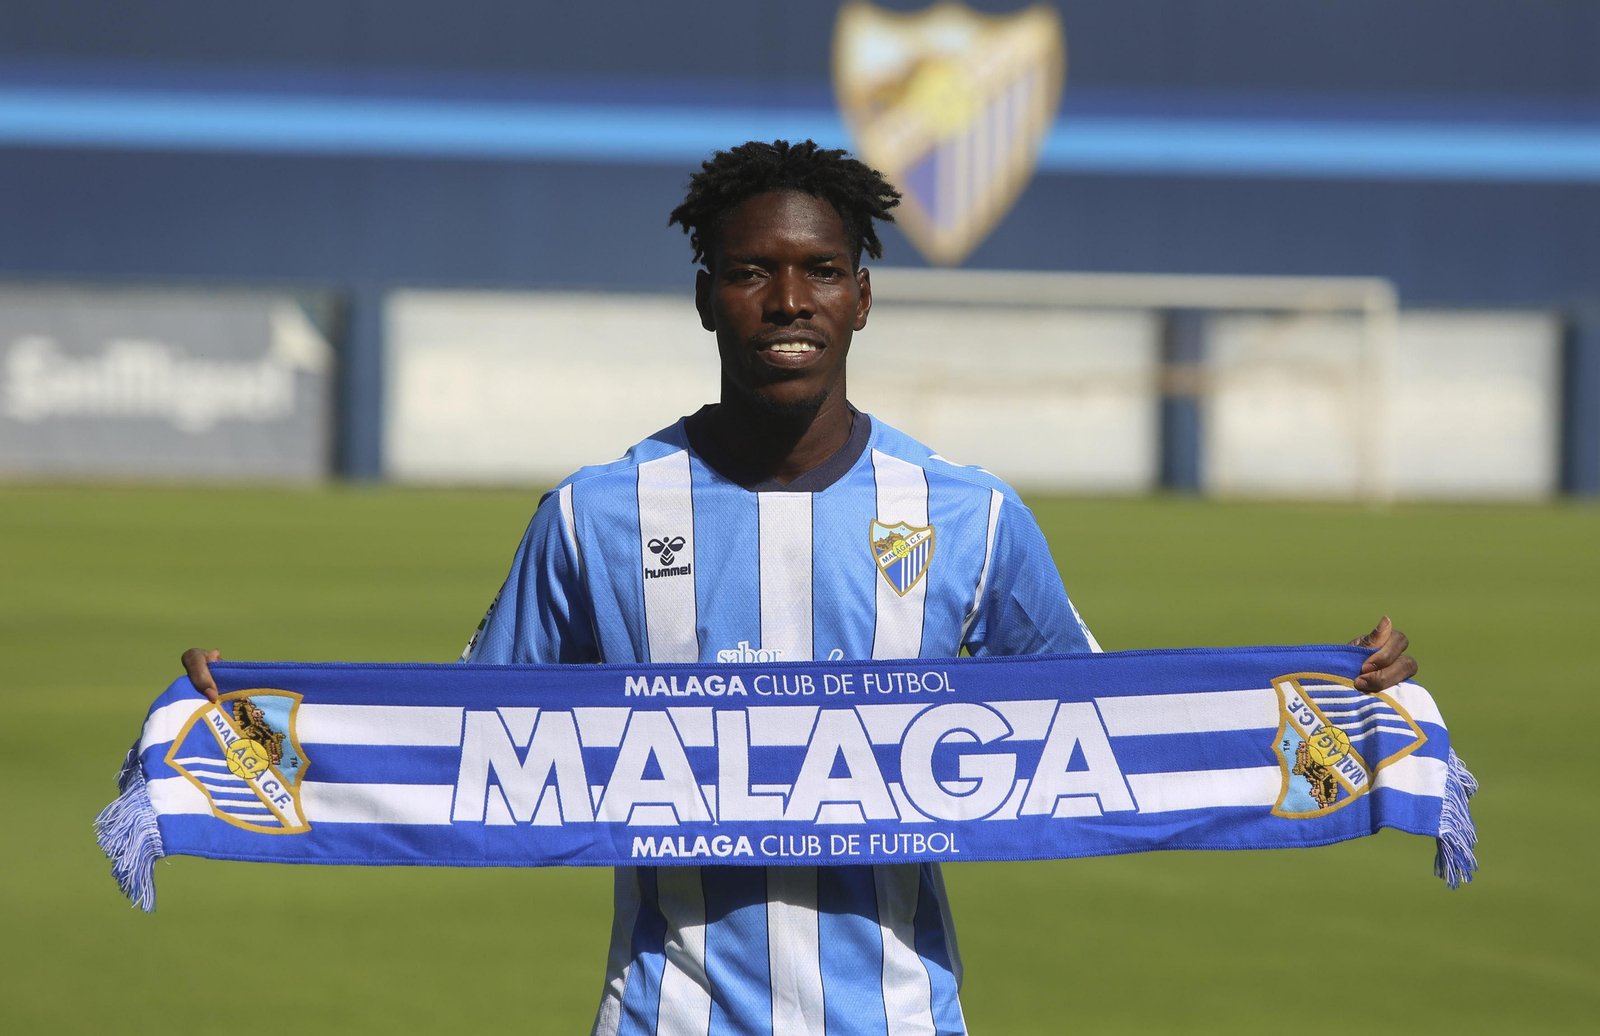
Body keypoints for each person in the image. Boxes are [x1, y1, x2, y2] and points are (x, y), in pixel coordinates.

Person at [183, 139, 1417, 1036]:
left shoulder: (966, 516)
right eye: (751, 271)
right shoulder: (597, 515)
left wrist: (1342, 702)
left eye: (819, 270)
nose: (786, 302)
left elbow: (1112, 729)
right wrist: (251, 728)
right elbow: (454, 748)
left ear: (862, 295)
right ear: (704, 294)